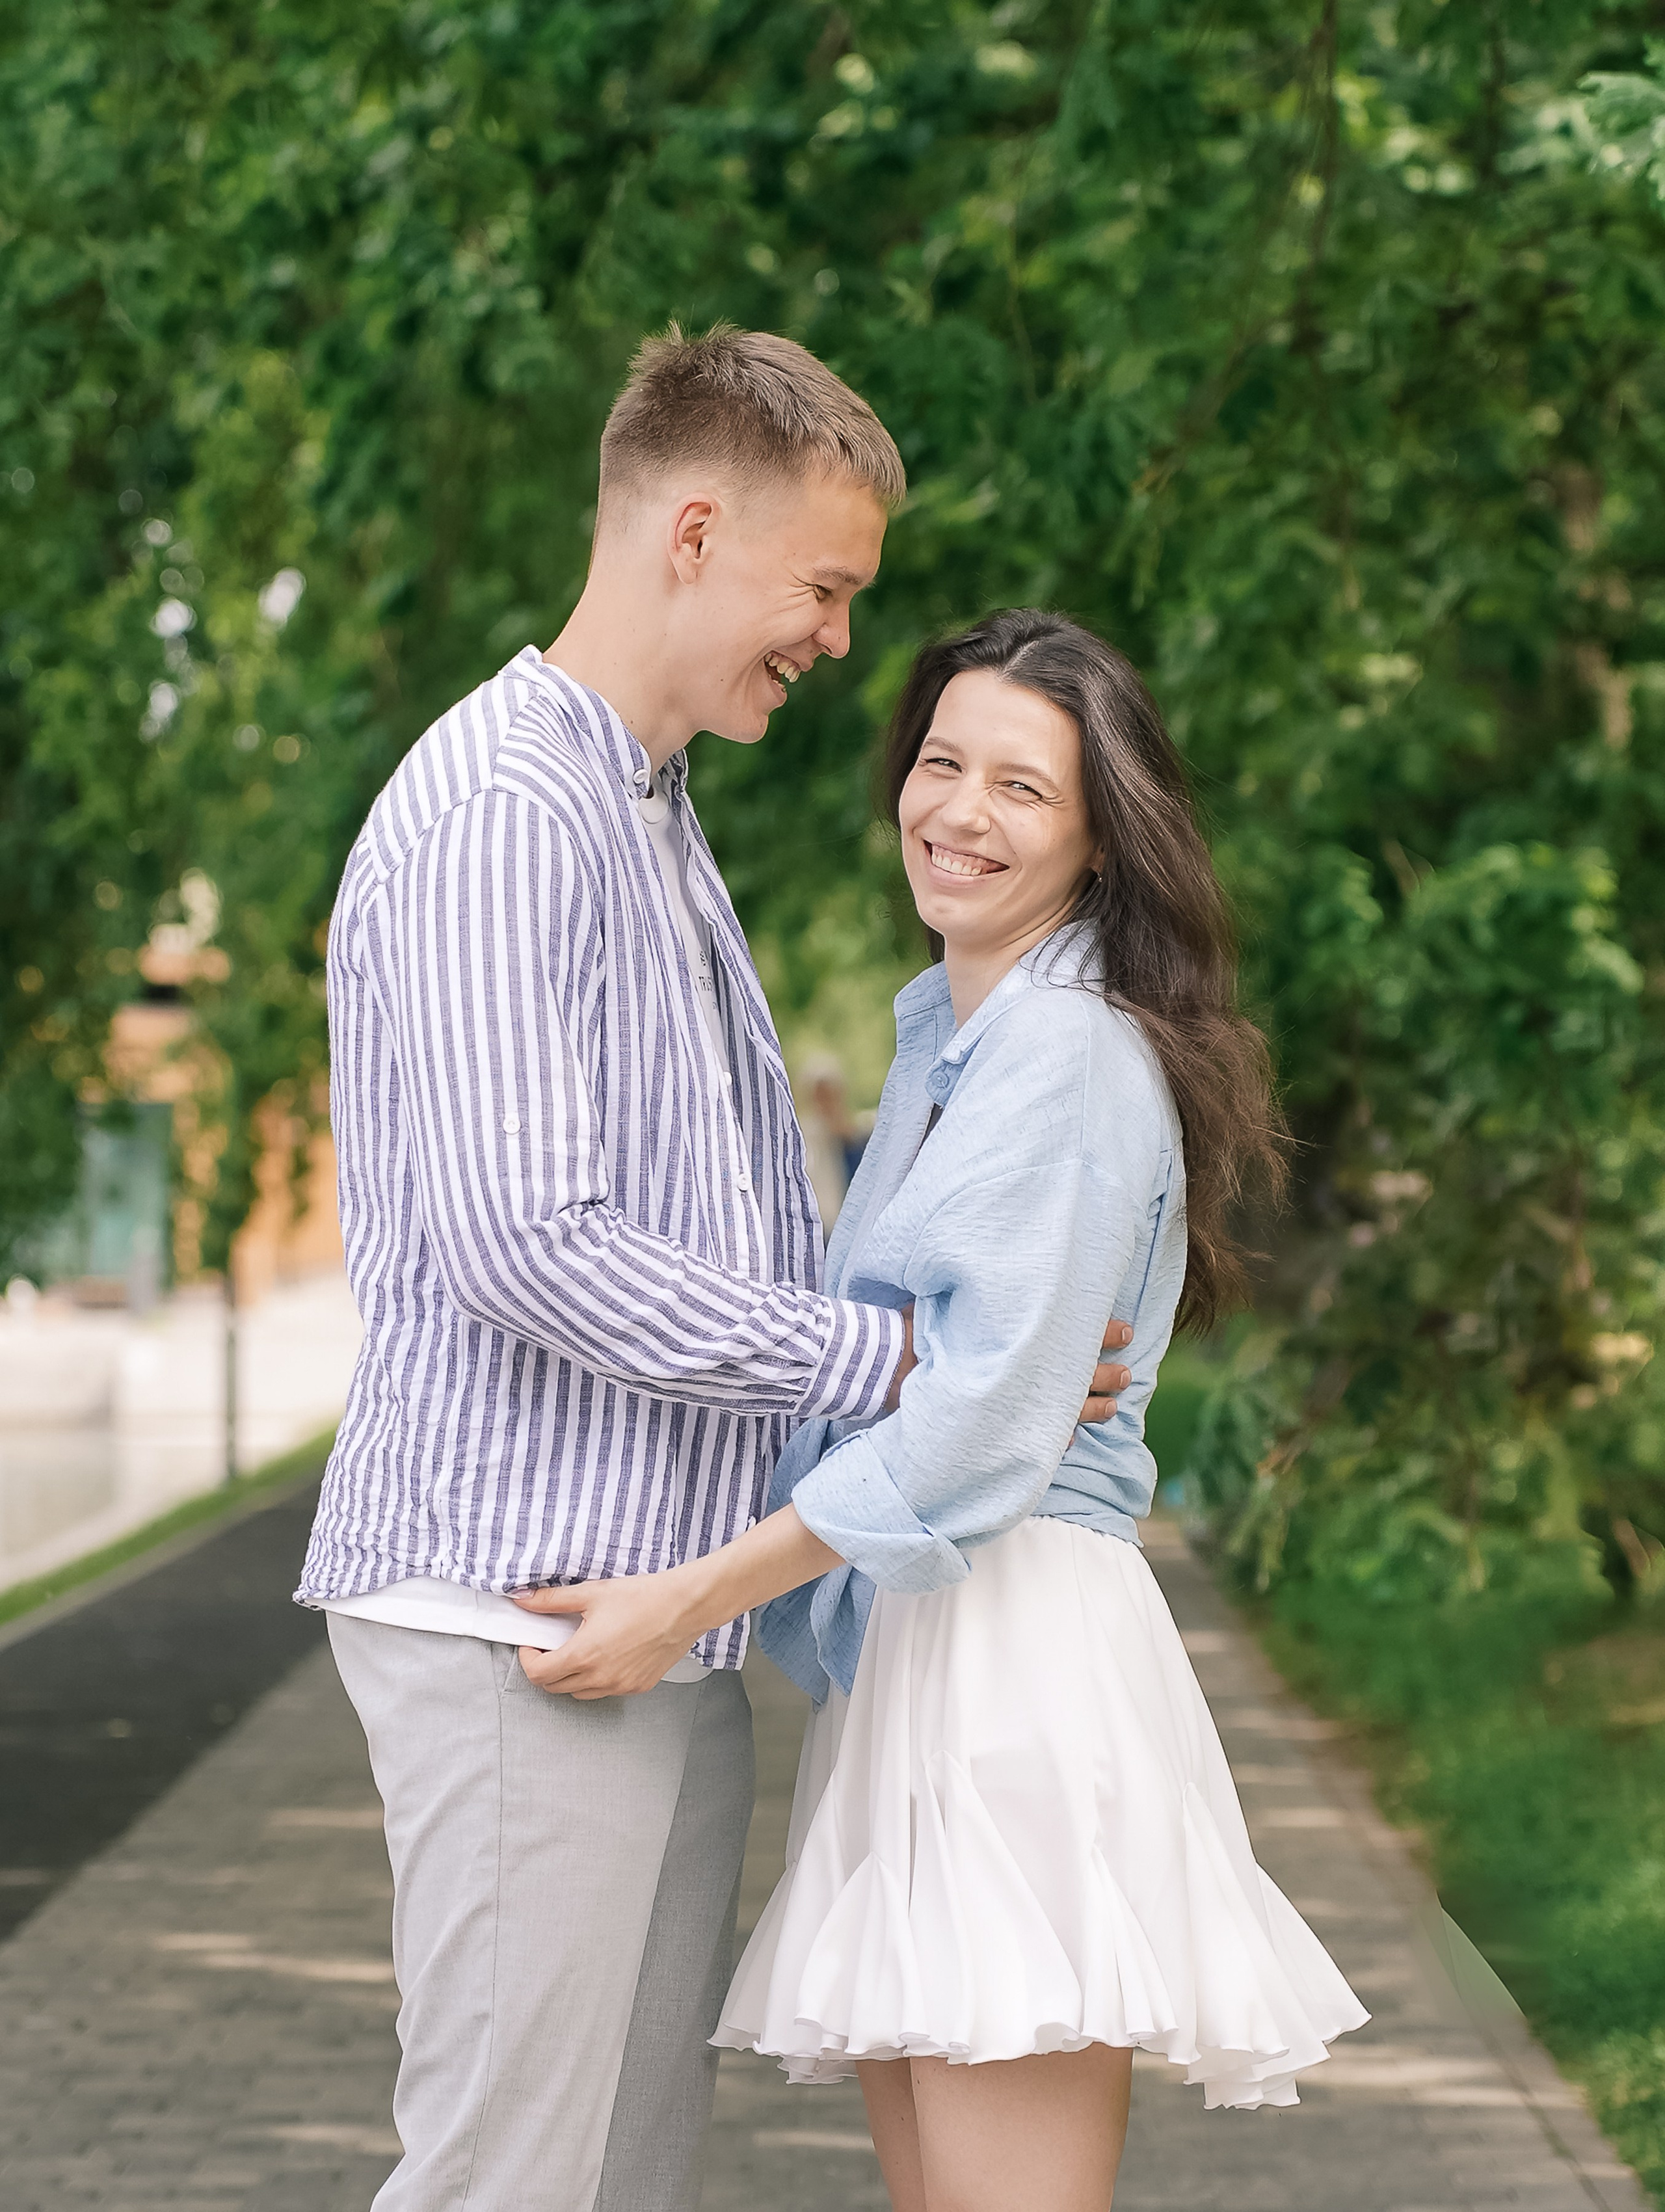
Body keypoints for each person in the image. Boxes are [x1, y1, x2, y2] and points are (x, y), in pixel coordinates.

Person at [297, 331, 1136, 2212]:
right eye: (825, 589)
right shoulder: (515, 812)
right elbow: (530, 1240)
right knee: (516, 2182)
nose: (838, 640)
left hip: (635, 1617)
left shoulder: (645, 808)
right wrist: (908, 1366)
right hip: (520, 1611)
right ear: (694, 529)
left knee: (609, 2180)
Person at [515, 608, 1370, 2212]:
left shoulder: (1060, 1052)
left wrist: (681, 1603)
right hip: (928, 1653)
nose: (958, 813)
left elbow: (980, 1428)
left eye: (1022, 790)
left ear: (1104, 843)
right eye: (938, 763)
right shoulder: (952, 1040)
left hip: (1015, 1658)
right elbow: (922, 1373)